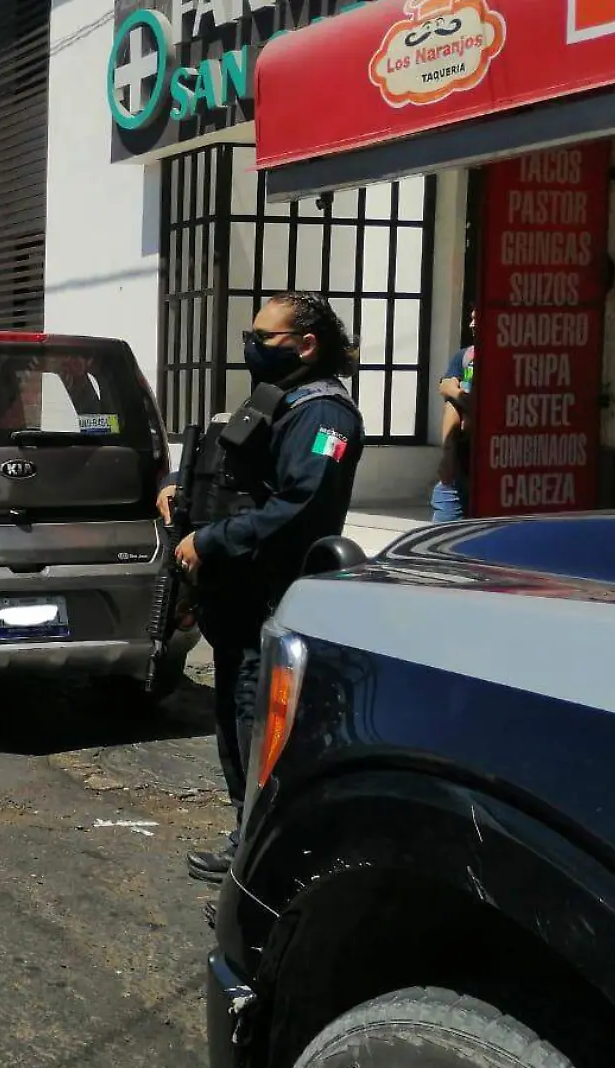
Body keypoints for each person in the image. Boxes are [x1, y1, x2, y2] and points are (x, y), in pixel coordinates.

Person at [158, 291, 366, 883]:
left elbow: (300, 507)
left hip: (274, 593)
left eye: (263, 338)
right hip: (238, 593)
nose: (251, 348)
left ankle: (266, 853)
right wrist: (182, 489)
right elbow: (234, 468)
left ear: (306, 345)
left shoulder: (326, 417)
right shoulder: (280, 400)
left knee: (259, 723)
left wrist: (213, 539)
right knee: (235, 715)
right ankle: (247, 832)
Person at [431, 308, 478, 522]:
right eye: (471, 318)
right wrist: (464, 399)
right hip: (459, 463)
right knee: (442, 532)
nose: (472, 325)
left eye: (477, 319)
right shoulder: (466, 356)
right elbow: (446, 386)